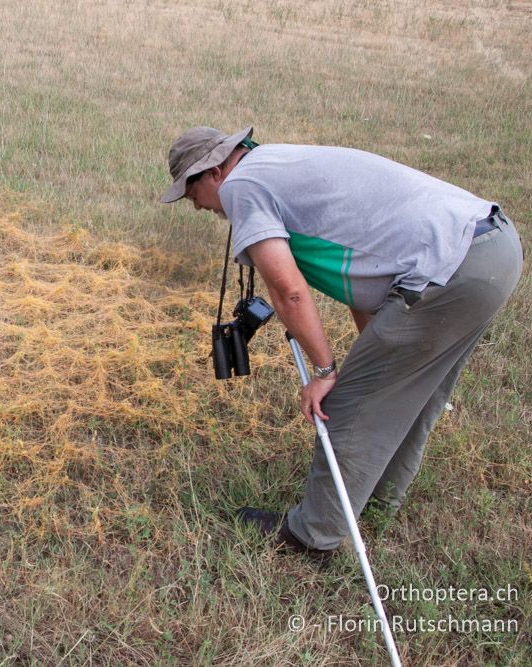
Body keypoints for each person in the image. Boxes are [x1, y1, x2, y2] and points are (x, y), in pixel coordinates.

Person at [161, 126, 524, 561]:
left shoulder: (242, 185)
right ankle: (378, 504)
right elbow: (363, 285)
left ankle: (311, 537)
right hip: (493, 249)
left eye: (191, 192)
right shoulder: (278, 164)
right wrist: (375, 354)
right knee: (409, 392)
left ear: (216, 171)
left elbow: (287, 289)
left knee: (348, 404)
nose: (197, 206)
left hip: (450, 268)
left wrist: (325, 372)